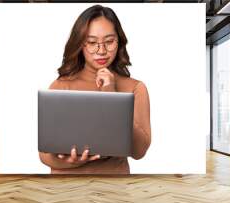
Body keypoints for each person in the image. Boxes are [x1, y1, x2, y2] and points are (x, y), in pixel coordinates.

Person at [39, 5, 151, 174]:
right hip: (65, 190)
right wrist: (72, 162)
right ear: (80, 44)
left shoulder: (135, 88)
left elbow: (139, 151)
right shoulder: (60, 86)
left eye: (109, 41)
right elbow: (44, 155)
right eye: (92, 43)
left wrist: (111, 96)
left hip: (113, 190)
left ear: (119, 41)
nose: (101, 51)